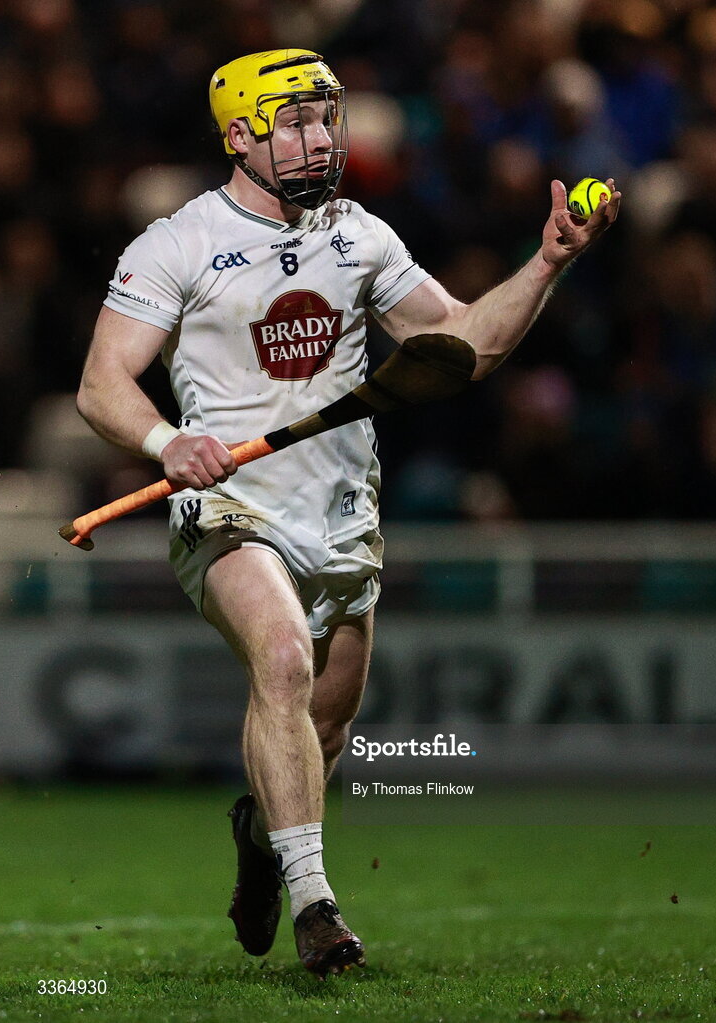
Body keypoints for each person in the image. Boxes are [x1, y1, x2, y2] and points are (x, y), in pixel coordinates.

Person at [76, 48, 620, 978]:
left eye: (326, 119)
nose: (319, 137)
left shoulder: (360, 235)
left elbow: (462, 349)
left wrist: (544, 265)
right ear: (240, 135)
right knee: (281, 662)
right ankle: (318, 907)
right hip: (227, 508)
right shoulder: (174, 244)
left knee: (319, 735)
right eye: (294, 122)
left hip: (339, 517)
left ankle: (258, 832)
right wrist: (169, 444)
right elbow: (101, 385)